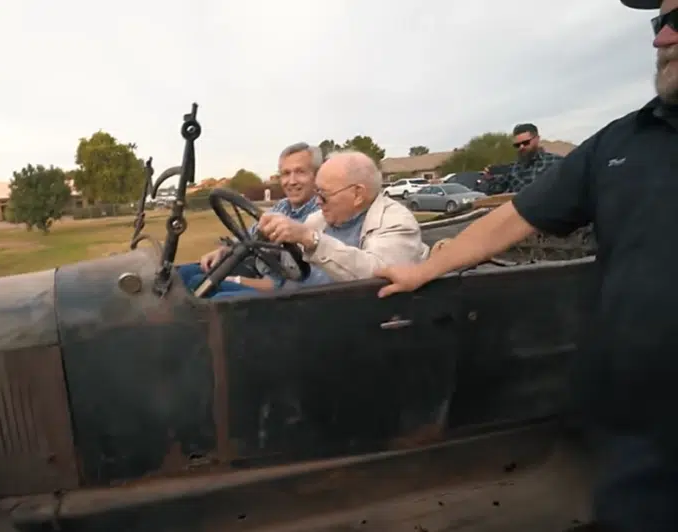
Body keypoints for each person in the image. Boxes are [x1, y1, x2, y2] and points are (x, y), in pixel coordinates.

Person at [375, 2, 678, 529]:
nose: (661, 40)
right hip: (638, 420)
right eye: (659, 23)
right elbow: (517, 216)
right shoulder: (620, 142)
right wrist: (426, 269)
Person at [178, 142, 325, 298]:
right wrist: (224, 250)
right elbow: (250, 235)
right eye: (286, 173)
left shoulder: (322, 216)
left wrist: (236, 280)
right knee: (184, 274)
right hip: (257, 270)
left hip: (286, 295)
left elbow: (287, 283)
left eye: (300, 172)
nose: (292, 181)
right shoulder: (282, 207)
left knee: (207, 289)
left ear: (316, 175)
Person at [257, 150, 429, 281]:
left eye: (324, 194)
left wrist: (311, 240)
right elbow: (293, 269)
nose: (317, 202)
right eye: (316, 192)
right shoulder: (318, 220)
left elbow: (378, 276)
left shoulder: (397, 222)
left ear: (358, 195)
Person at [484, 123, 564, 194]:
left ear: (537, 139)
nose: (521, 147)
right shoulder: (512, 169)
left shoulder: (556, 163)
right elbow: (494, 193)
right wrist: (490, 179)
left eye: (525, 143)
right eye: (517, 145)